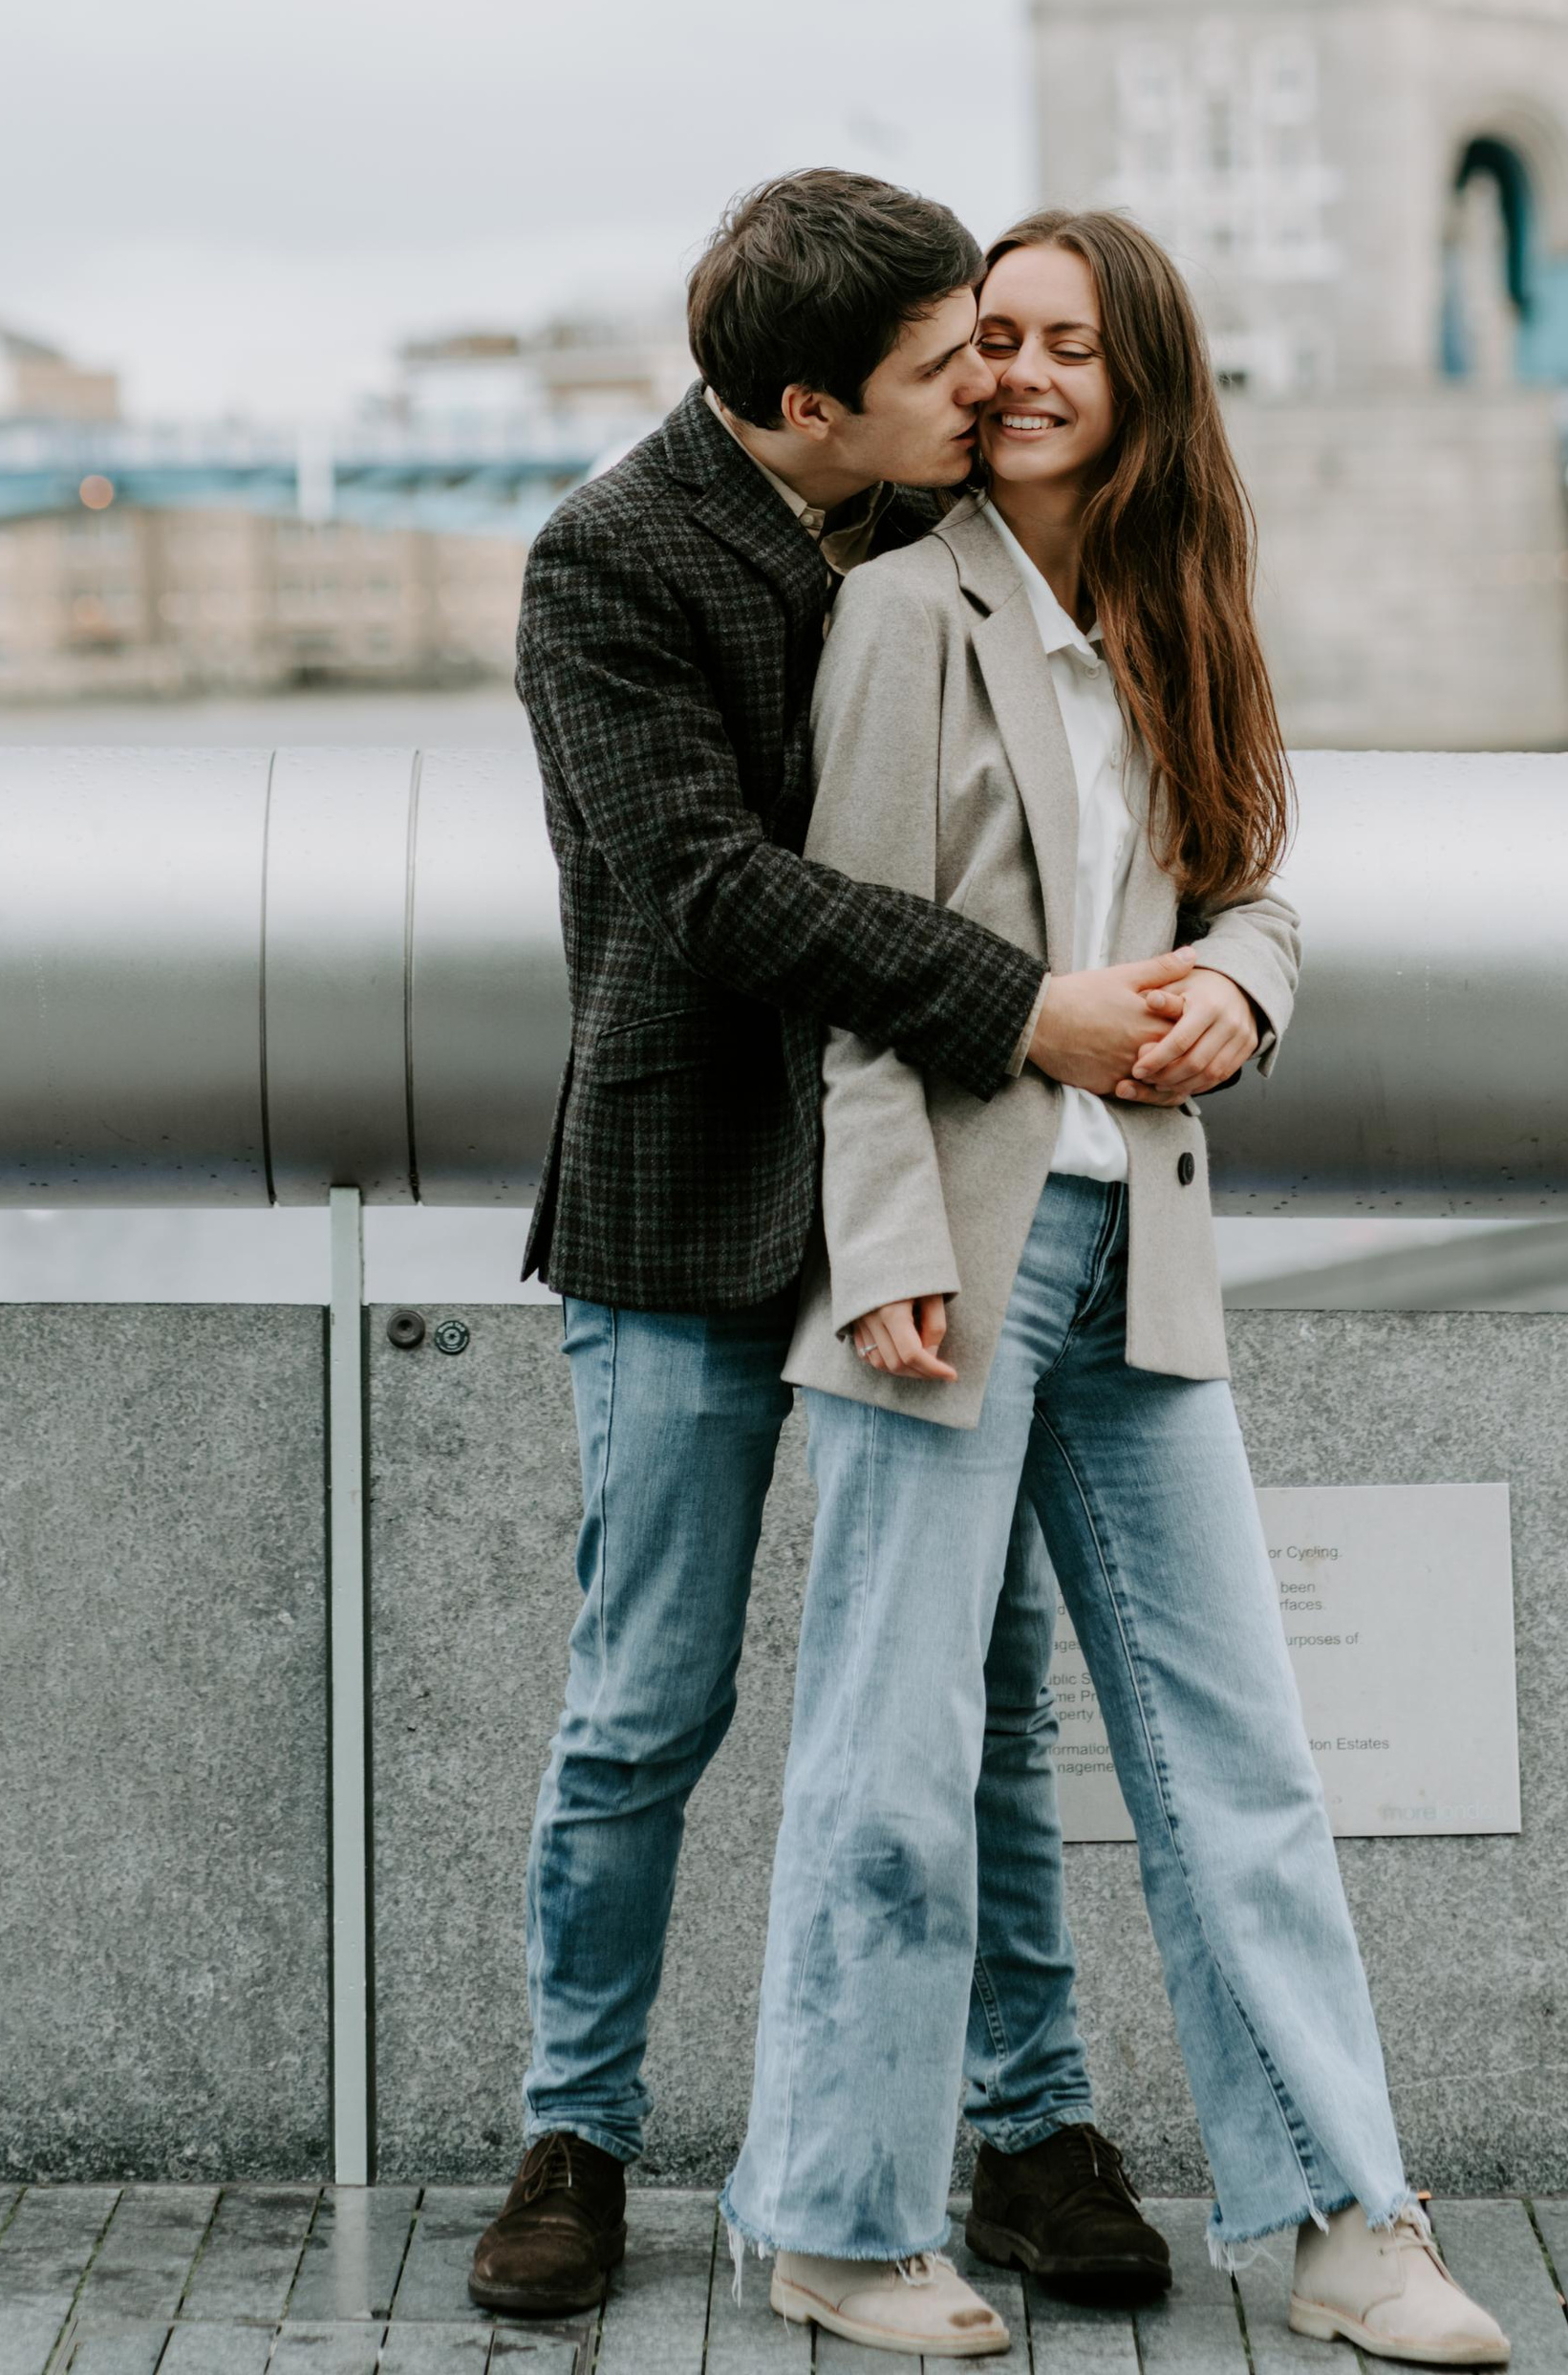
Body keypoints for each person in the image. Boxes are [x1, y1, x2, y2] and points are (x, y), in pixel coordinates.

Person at [719, 209, 1513, 2370]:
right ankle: (837, 2220)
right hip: (951, 1268)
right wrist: (878, 1249)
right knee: (886, 1754)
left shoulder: (1179, 611)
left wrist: (1242, 1000)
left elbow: (1252, 884)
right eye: (999, 336)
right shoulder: (896, 612)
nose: (1029, 368)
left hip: (1137, 1250)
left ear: (1141, 372)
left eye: (1072, 338)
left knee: (1235, 1750)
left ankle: (1345, 2216)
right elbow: (860, 978)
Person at [471, 173, 1206, 2322]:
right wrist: (1022, 1003)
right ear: (808, 401)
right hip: (692, 1192)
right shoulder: (606, 559)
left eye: (996, 336)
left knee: (975, 1693)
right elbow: (703, 885)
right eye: (944, 358)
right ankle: (577, 2130)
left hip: (940, 1184)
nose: (988, 378)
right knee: (644, 1699)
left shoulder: (937, 520)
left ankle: (1026, 2119)